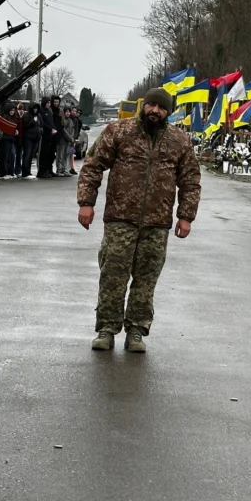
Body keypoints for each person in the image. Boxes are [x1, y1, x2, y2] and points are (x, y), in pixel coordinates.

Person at [78, 88, 201, 353]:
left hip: (157, 223)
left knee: (146, 279)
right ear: (143, 105)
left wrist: (186, 216)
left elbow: (190, 180)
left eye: (162, 107)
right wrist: (86, 203)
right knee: (113, 275)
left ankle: (136, 330)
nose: (155, 111)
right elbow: (92, 165)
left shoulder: (179, 141)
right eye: (151, 105)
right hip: (120, 219)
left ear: (168, 112)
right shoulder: (118, 131)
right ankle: (106, 328)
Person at [0, 103, 19, 179]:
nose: (12, 112)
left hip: (11, 139)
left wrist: (15, 131)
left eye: (13, 110)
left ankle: (10, 172)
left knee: (12, 156)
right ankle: (3, 173)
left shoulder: (14, 118)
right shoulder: (4, 117)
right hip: (4, 139)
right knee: (4, 157)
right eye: (11, 110)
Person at [21, 102, 43, 178]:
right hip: (28, 138)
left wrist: (41, 131)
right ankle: (25, 172)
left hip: (36, 138)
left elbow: (41, 124)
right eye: (34, 108)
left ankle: (28, 171)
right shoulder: (26, 115)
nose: (35, 110)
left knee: (31, 155)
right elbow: (25, 125)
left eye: (36, 108)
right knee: (27, 154)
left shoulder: (39, 115)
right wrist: (33, 121)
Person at [38, 96, 57, 178]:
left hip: (51, 135)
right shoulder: (41, 111)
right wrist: (50, 129)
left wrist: (54, 129)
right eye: (47, 103)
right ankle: (42, 171)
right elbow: (43, 123)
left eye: (49, 103)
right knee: (44, 154)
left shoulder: (49, 112)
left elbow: (51, 122)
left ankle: (49, 170)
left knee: (50, 154)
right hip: (45, 135)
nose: (49, 104)